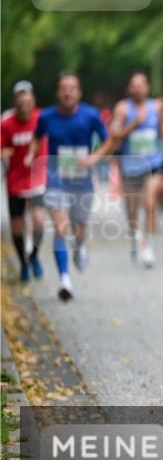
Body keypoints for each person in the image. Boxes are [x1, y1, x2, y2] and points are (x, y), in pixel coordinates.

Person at [27, 72, 116, 301]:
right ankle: (65, 280)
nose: (67, 92)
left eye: (72, 88)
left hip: (82, 180)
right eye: (63, 88)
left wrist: (93, 159)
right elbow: (37, 137)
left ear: (79, 92)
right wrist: (31, 153)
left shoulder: (91, 115)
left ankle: (79, 247)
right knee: (60, 228)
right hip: (56, 179)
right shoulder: (46, 117)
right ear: (58, 92)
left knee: (79, 229)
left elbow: (108, 141)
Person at [109, 70, 163, 267]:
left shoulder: (157, 107)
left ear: (147, 87)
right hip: (130, 166)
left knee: (149, 203)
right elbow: (115, 136)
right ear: (129, 89)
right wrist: (133, 124)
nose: (138, 89)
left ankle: (149, 246)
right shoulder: (122, 109)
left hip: (153, 164)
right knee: (132, 210)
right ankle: (135, 238)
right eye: (134, 86)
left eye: (141, 85)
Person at [1, 81, 46, 281]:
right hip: (15, 180)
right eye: (20, 104)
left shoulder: (42, 118)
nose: (24, 108)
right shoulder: (6, 123)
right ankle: (23, 263)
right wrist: (4, 153)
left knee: (39, 221)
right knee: (17, 226)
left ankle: (34, 256)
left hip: (37, 178)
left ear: (33, 101)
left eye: (28, 103)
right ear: (15, 104)